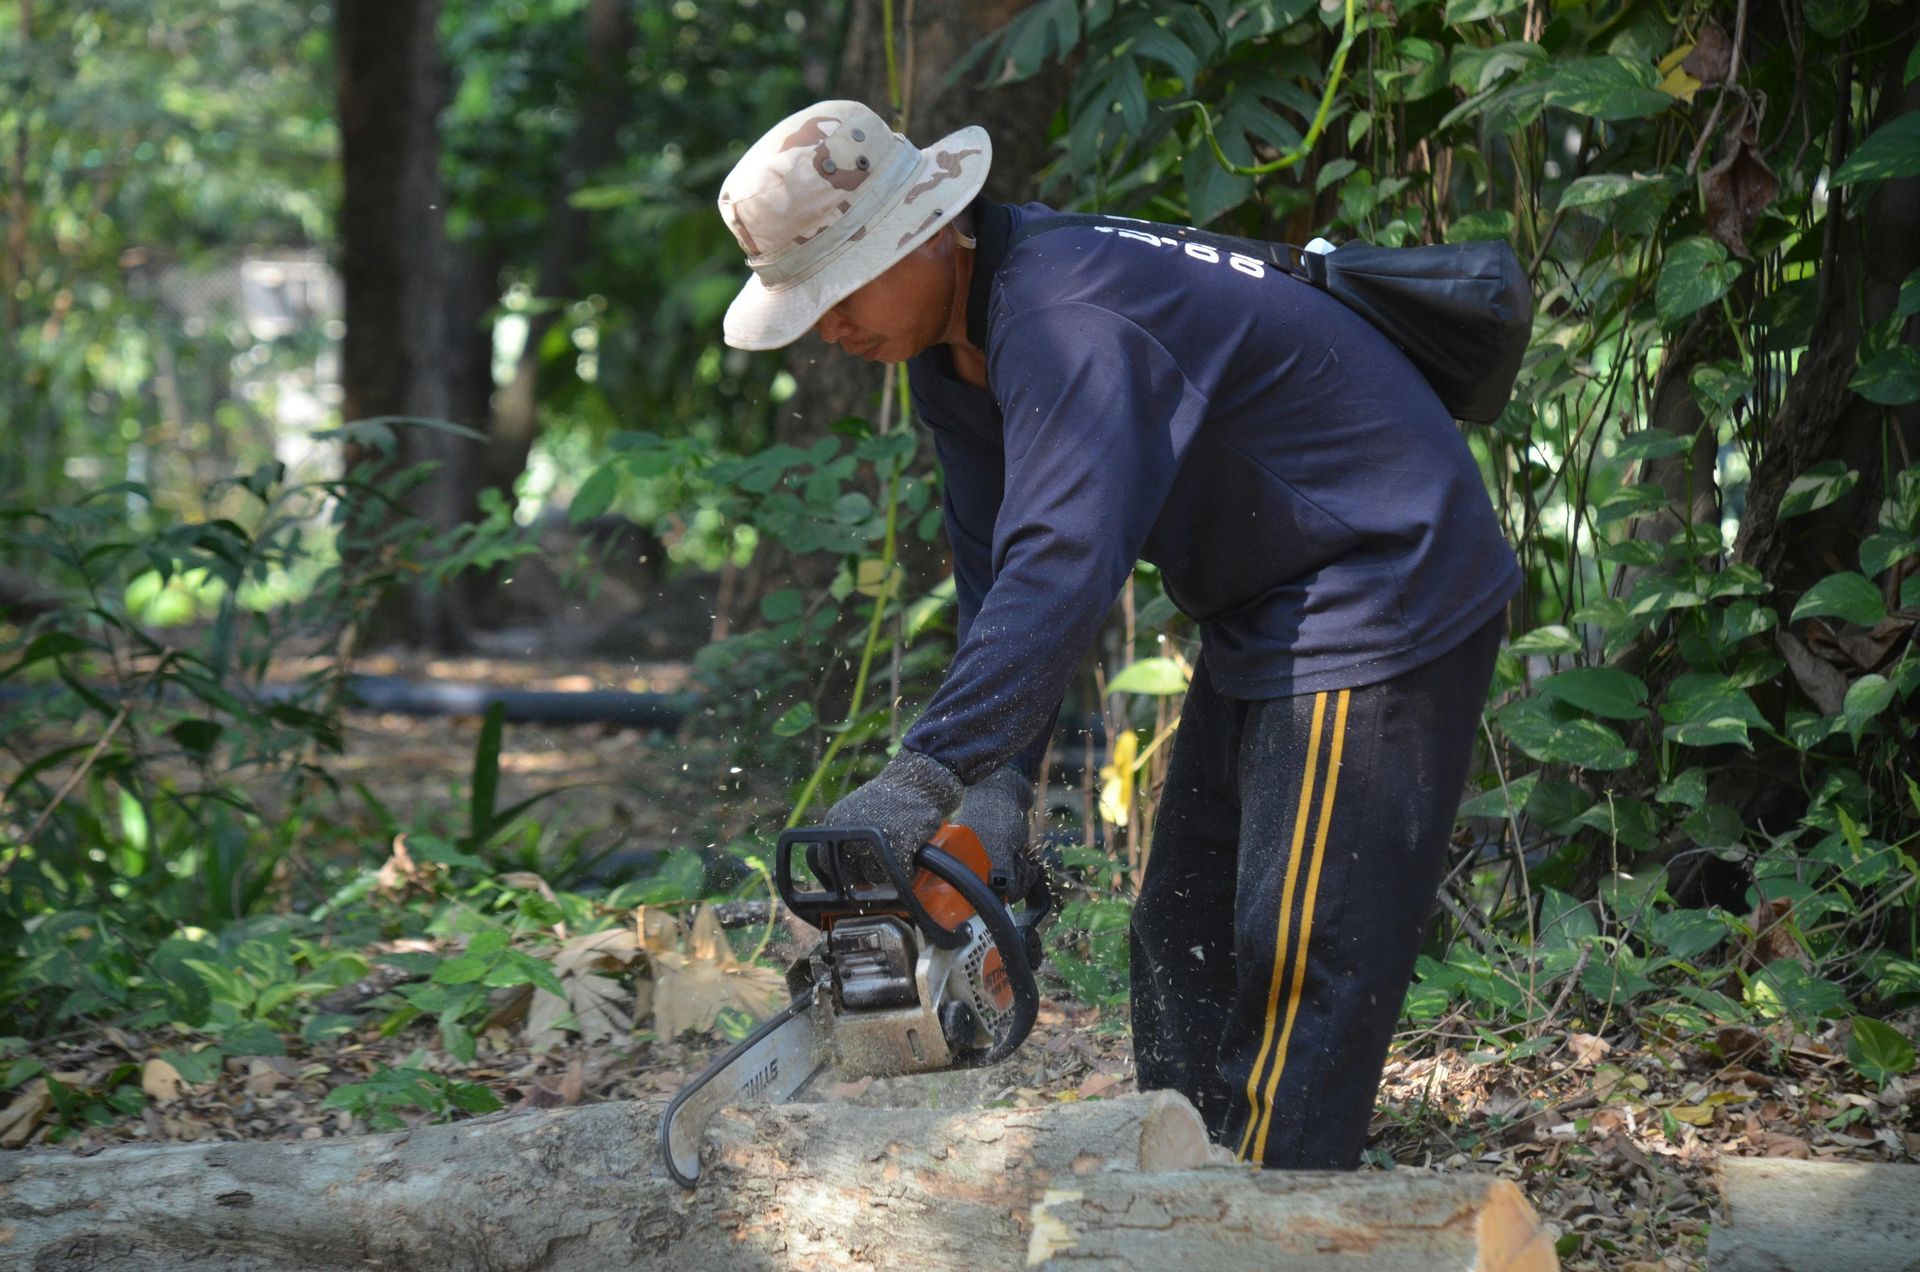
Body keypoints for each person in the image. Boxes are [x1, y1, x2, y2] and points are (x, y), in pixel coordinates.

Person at [714, 100, 1521, 1170]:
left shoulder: (1063, 314)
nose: (829, 328)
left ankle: (1270, 1217)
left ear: (918, 233)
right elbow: (1001, 581)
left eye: (836, 290)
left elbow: (1063, 565)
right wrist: (994, 796)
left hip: (1383, 576)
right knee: (1180, 928)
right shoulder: (957, 349)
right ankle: (1179, 1184)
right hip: (1267, 603)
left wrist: (925, 775)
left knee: (1296, 955)